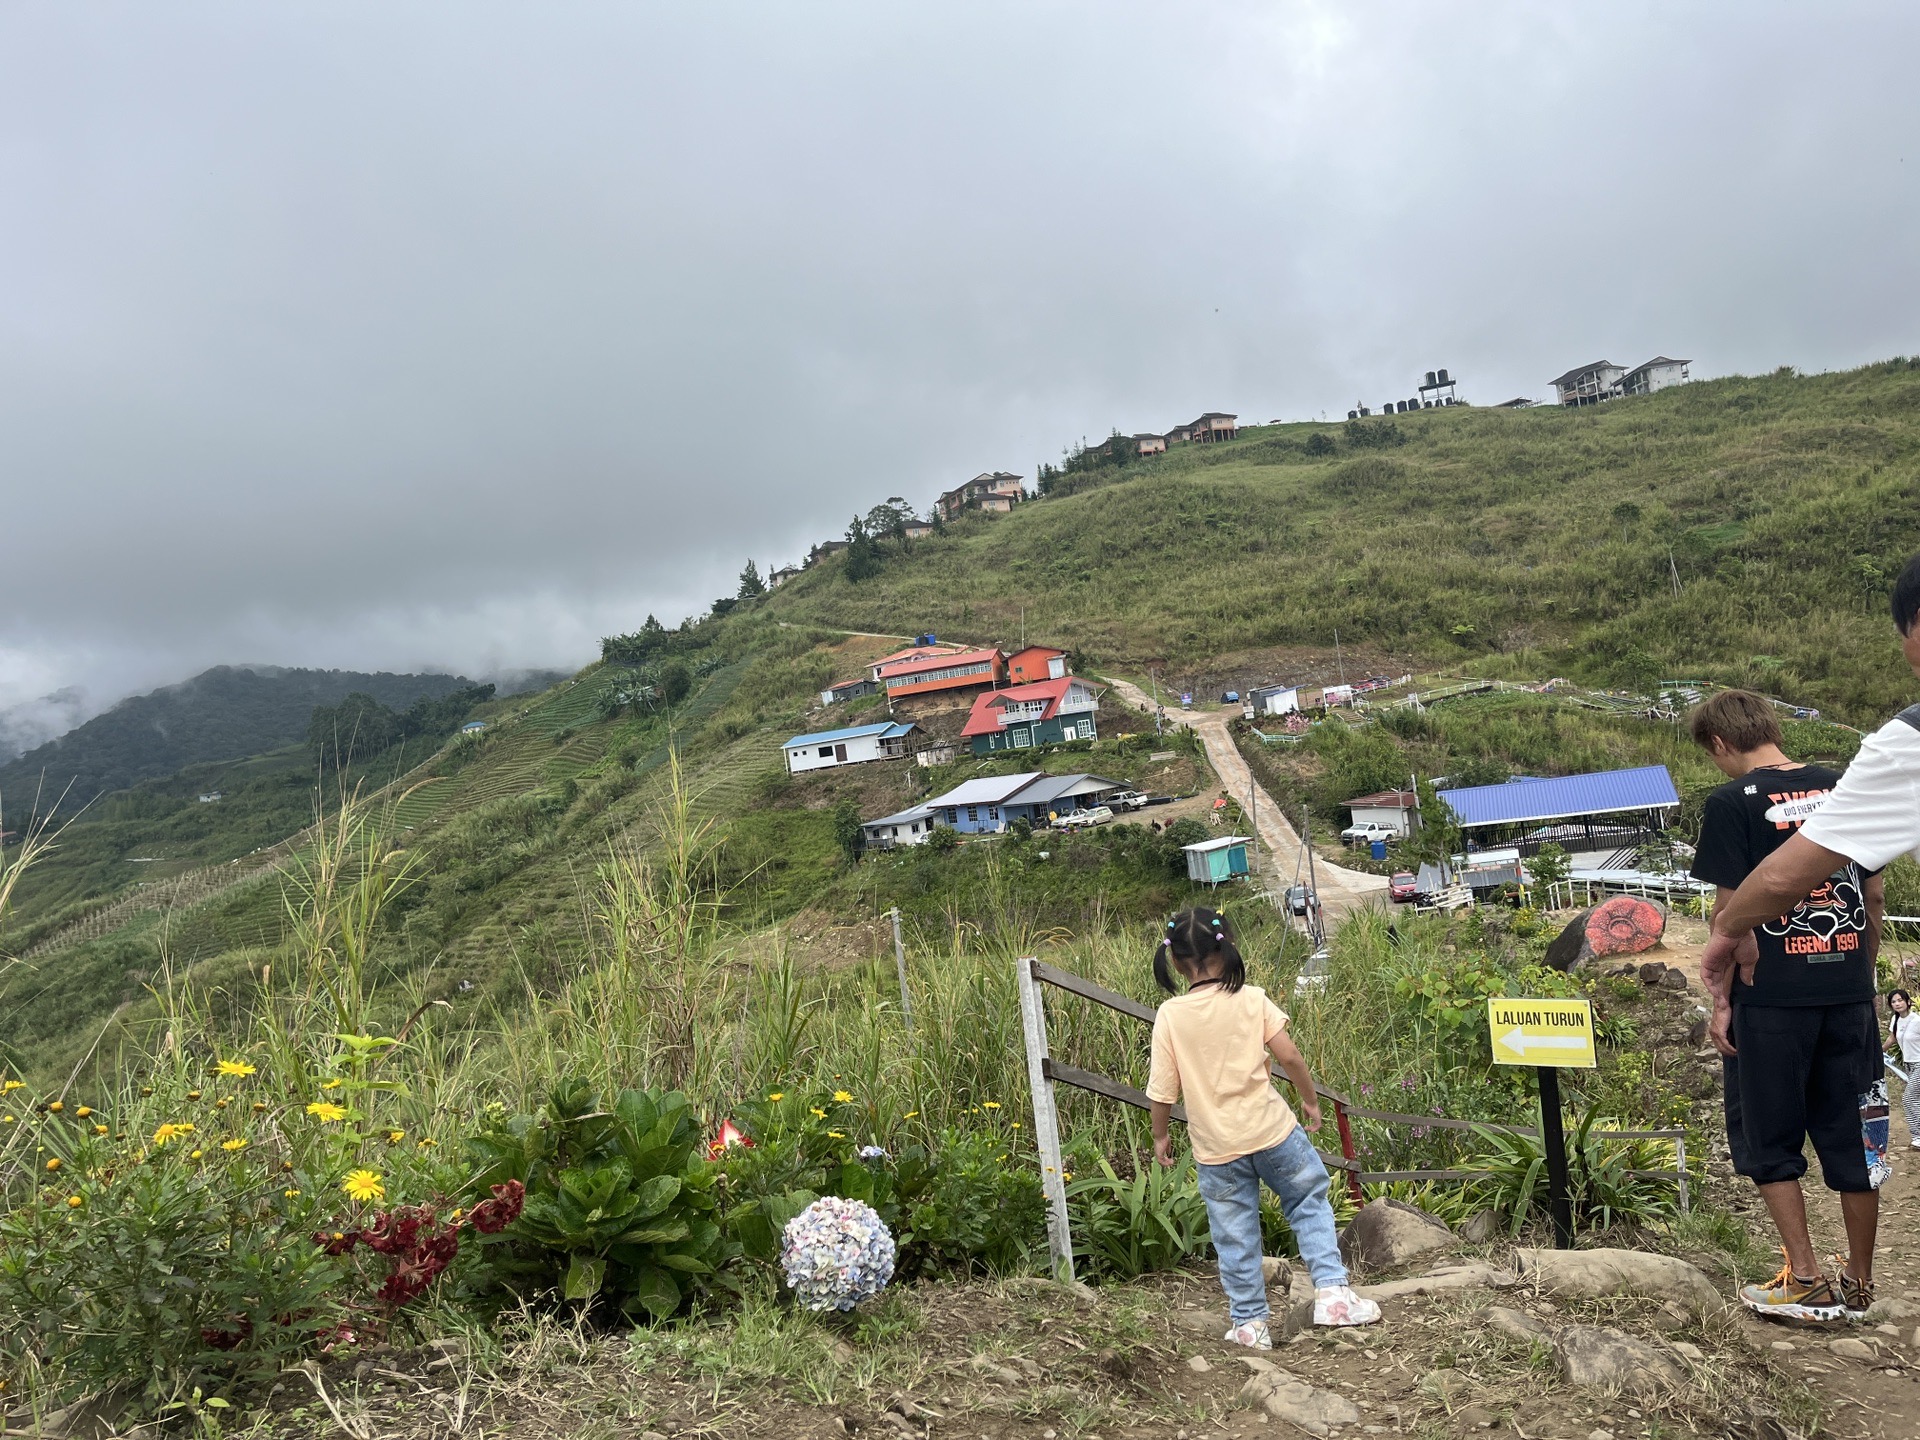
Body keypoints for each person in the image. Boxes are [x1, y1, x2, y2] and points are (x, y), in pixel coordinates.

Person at [1686, 689, 1885, 1322]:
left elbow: (1731, 918)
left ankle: (1805, 1277)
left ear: (1720, 744)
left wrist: (1721, 1001)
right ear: (1770, 727)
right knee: (1856, 1135)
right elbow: (1873, 894)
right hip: (1848, 990)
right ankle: (1859, 1285)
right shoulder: (1844, 786)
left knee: (1768, 1138)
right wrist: (1860, 968)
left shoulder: (1729, 803)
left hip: (1771, 999)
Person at [1144, 907, 1379, 1348]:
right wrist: (1309, 1100)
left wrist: (1160, 1135)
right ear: (1228, 944)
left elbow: (1161, 1091)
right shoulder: (1252, 998)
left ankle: (1250, 1324)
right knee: (1308, 1202)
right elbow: (1289, 1057)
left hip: (1216, 1149)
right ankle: (1332, 1293)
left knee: (1234, 1234)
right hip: (1273, 1131)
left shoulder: (1171, 1015)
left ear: (1174, 961)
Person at [1889, 990, 1920, 1149]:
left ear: (1908, 1002)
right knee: (1917, 1099)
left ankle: (1918, 1136)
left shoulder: (1916, 1020)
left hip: (1919, 1064)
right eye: (1894, 1002)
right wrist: (1878, 1050)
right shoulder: (1895, 1020)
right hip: (1908, 1065)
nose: (1897, 1003)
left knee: (1909, 1099)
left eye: (1900, 1000)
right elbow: (1893, 1038)